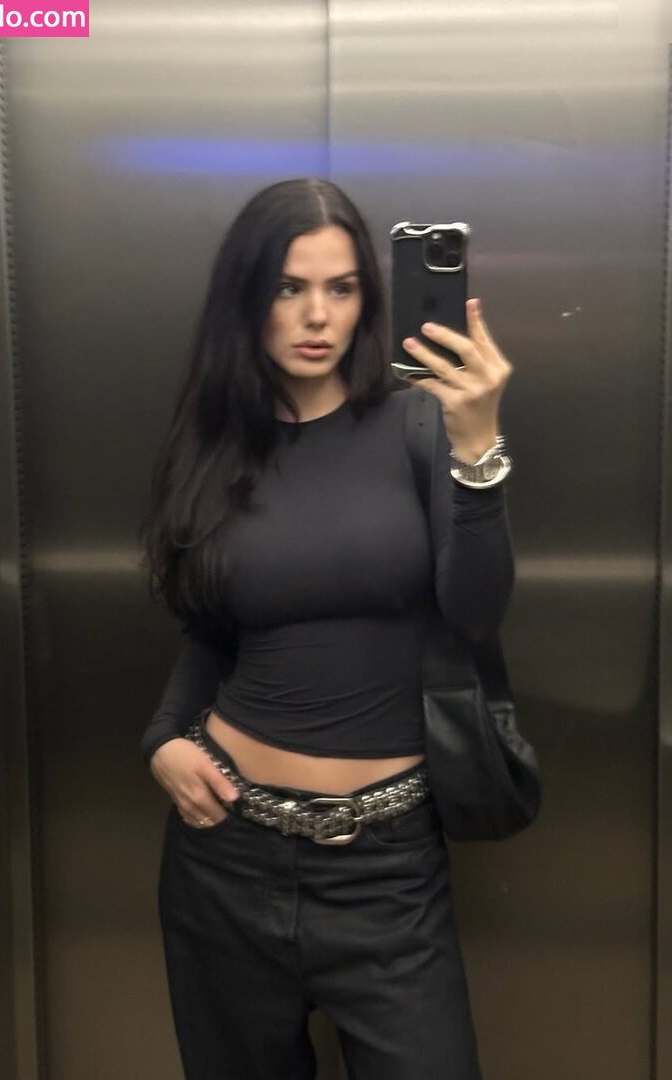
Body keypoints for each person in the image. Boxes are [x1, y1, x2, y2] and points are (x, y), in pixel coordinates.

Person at [138, 177, 514, 1080]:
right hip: (225, 853)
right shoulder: (214, 446)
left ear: (366, 299)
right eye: (288, 287)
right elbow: (213, 631)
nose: (317, 316)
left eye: (341, 288)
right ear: (245, 297)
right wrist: (162, 739)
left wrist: (479, 452)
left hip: (386, 868)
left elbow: (475, 611)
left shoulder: (419, 424)